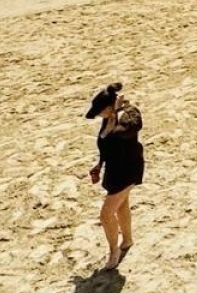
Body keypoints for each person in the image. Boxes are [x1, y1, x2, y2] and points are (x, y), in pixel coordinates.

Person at [85, 82, 144, 272]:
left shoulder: (129, 114)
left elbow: (121, 134)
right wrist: (99, 163)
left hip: (128, 170)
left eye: (101, 111)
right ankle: (127, 240)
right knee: (121, 206)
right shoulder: (108, 117)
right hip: (114, 170)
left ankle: (113, 252)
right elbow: (106, 143)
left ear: (111, 106)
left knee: (106, 214)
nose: (99, 115)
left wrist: (118, 113)